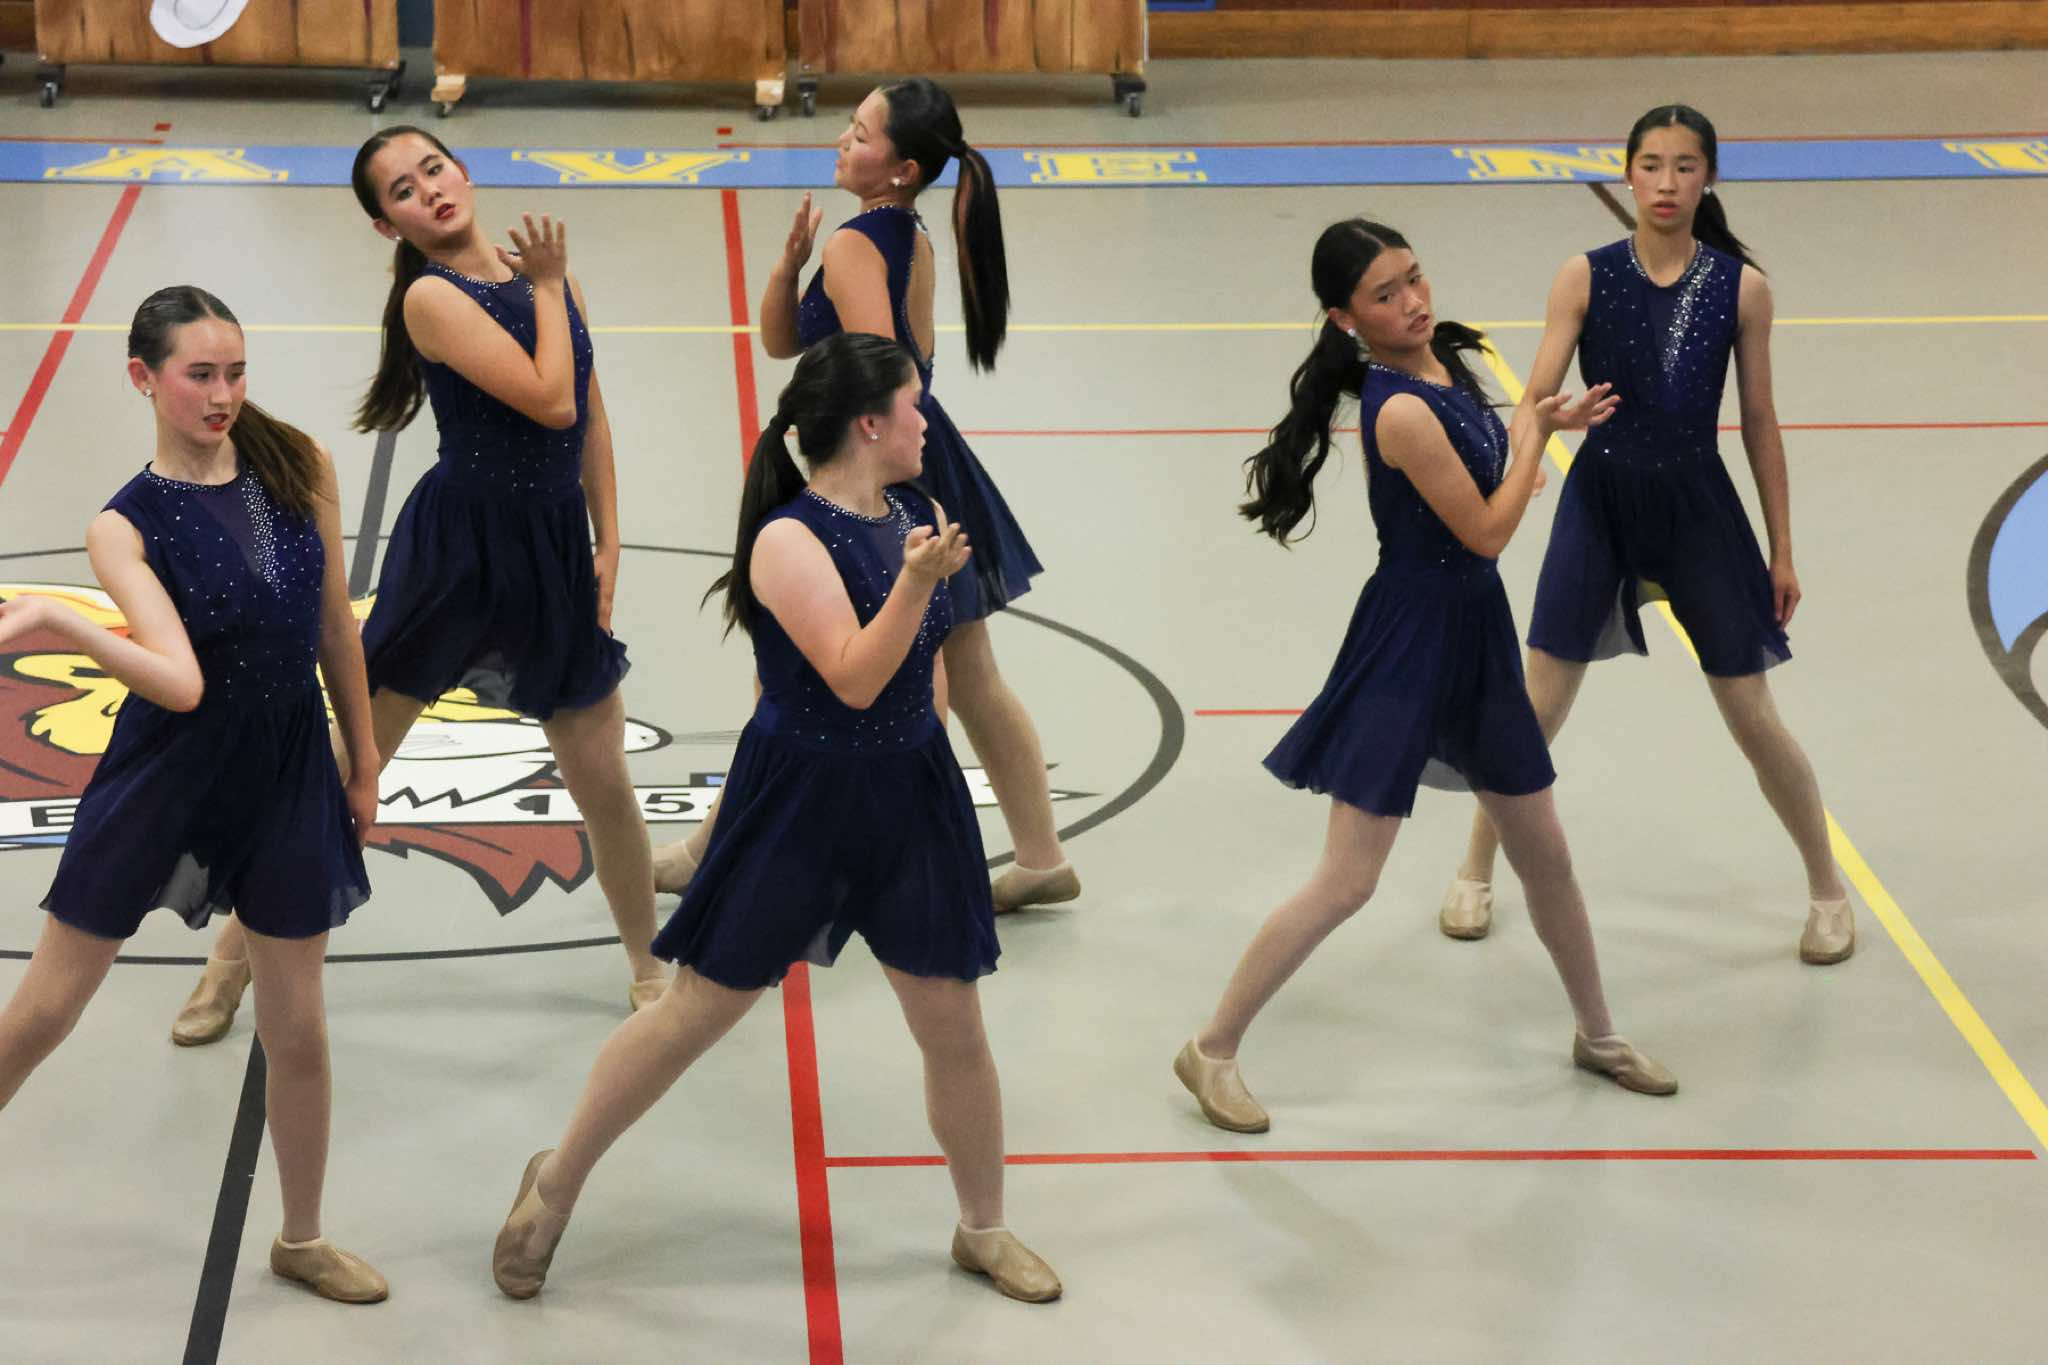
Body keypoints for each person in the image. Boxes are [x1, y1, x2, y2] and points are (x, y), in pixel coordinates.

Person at [493, 333, 1059, 1305]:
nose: (927, 421)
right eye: (913, 404)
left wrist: (923, 759)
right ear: (869, 423)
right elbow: (852, 675)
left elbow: (925, 672)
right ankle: (553, 1184)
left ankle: (983, 1228)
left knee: (954, 1026)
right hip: (800, 803)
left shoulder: (919, 513)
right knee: (695, 1013)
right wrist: (917, 584)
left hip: (908, 796)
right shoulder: (787, 542)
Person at [169, 126, 666, 1047]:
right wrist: (550, 287)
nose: (429, 189)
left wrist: (608, 535)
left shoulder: (548, 280)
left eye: (433, 168)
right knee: (352, 765)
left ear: (463, 170)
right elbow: (550, 397)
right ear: (386, 225)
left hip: (551, 551)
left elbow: (589, 419)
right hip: (459, 557)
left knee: (602, 773)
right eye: (402, 189)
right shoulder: (432, 299)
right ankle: (226, 969)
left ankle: (648, 962)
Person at [1176, 221, 1677, 1136]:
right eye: (1385, 294)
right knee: (1347, 880)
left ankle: (1599, 1034)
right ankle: (1211, 1048)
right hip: (1409, 643)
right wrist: (1534, 435)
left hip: (1475, 637)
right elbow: (1486, 531)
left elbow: (1489, 478)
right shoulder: (1397, 409)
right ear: (1344, 318)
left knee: (1545, 853)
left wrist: (1528, 434)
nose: (1413, 301)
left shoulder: (1443, 362)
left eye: (1414, 277)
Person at [0, 287, 387, 1302]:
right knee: (45, 1009)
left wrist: (363, 762)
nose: (222, 395)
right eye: (199, 375)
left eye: (236, 372)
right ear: (144, 378)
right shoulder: (122, 527)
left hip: (286, 770)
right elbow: (179, 684)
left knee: (298, 1028)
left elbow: (334, 626)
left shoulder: (297, 464)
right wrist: (64, 620)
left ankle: (301, 1238)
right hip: (165, 774)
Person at [1437, 105, 1852, 966]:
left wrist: (1781, 547)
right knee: (1535, 703)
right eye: (1652, 165)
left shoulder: (1743, 289)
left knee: (1751, 713)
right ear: (1627, 173)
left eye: (1685, 166)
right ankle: (1474, 867)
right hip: (1601, 505)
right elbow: (1535, 397)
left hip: (1700, 510)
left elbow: (1761, 420)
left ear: (1709, 178)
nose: (1667, 183)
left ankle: (1828, 889)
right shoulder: (1583, 276)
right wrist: (1535, 446)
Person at [655, 78, 1076, 915]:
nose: (843, 141)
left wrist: (857, 484)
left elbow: (886, 375)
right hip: (919, 457)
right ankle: (1040, 855)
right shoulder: (902, 233)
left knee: (809, 675)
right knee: (972, 675)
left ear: (901, 168)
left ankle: (742, 849)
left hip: (885, 472)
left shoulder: (859, 244)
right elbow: (782, 339)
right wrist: (789, 269)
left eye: (860, 133)